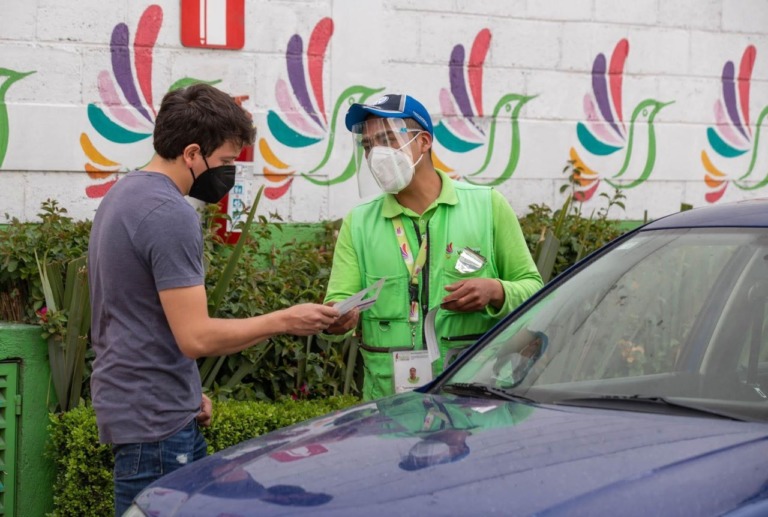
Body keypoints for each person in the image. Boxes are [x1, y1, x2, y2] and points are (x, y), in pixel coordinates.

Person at [88, 83, 340, 516]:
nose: (228, 173)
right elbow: (196, 337)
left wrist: (185, 392)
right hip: (156, 423)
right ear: (191, 153)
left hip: (146, 406)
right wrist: (286, 319)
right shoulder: (170, 212)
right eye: (225, 161)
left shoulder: (125, 194)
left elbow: (139, 318)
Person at [324, 93, 543, 400]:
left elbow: (535, 289)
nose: (376, 154)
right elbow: (338, 301)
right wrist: (339, 318)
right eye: (368, 145)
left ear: (424, 142)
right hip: (390, 408)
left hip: (474, 400)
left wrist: (496, 291)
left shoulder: (488, 206)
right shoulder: (359, 223)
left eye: (387, 138)